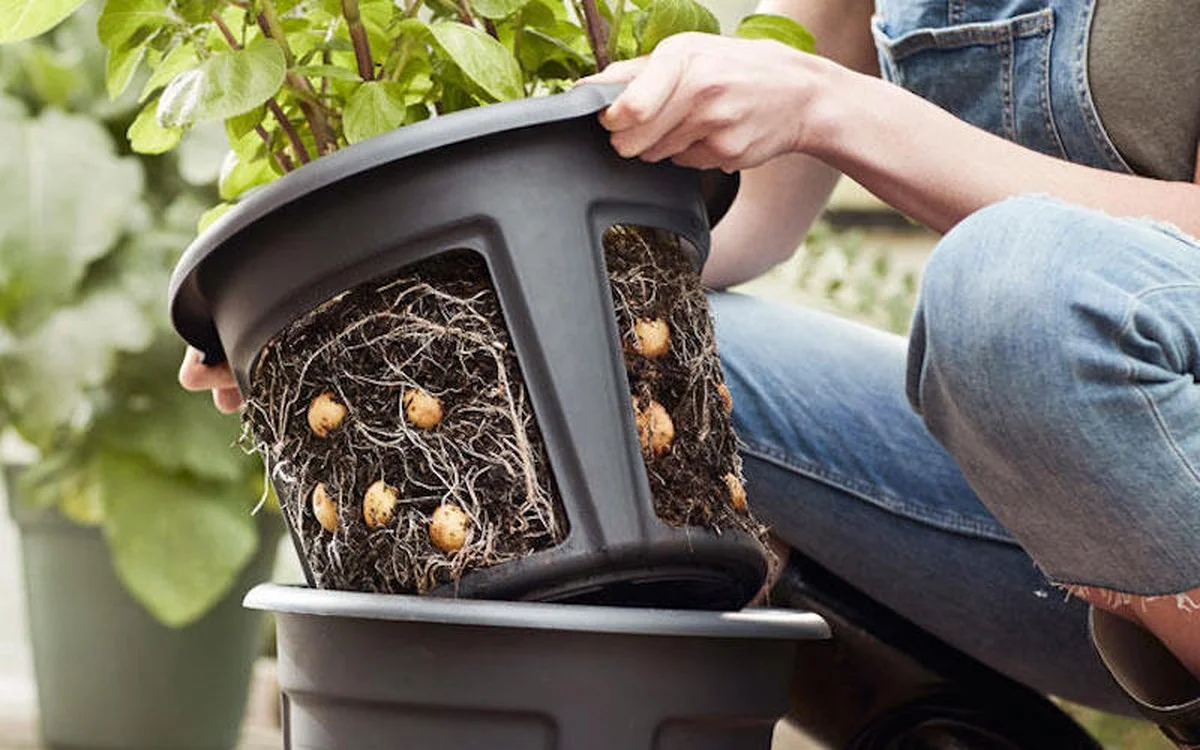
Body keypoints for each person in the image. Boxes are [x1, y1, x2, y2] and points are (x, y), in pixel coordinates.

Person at [181, 0, 1200, 742]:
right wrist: (339, 303)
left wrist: (835, 107)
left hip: (1153, 457)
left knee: (1012, 291)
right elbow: (728, 221)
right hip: (1037, 512)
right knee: (609, 357)